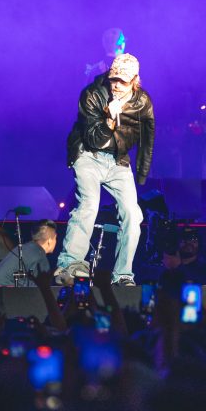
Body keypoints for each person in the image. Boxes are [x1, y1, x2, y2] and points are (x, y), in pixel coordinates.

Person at [56, 53, 155, 286]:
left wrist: (141, 176)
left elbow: (147, 139)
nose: (117, 85)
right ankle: (69, 264)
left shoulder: (142, 101)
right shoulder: (92, 95)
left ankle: (123, 274)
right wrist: (110, 120)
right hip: (88, 155)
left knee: (133, 213)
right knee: (89, 204)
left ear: (135, 80)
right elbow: (94, 140)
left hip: (118, 161)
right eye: (114, 79)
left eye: (123, 81)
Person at [0, 220, 58, 287]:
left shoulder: (24, 248)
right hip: (5, 293)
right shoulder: (40, 255)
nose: (56, 241)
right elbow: (42, 288)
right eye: (55, 238)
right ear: (50, 241)